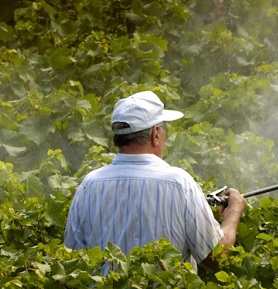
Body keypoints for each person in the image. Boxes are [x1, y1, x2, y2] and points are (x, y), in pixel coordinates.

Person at [64, 90, 246, 273]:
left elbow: (72, 262)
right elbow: (217, 259)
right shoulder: (180, 184)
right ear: (156, 133)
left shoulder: (89, 185)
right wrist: (233, 213)